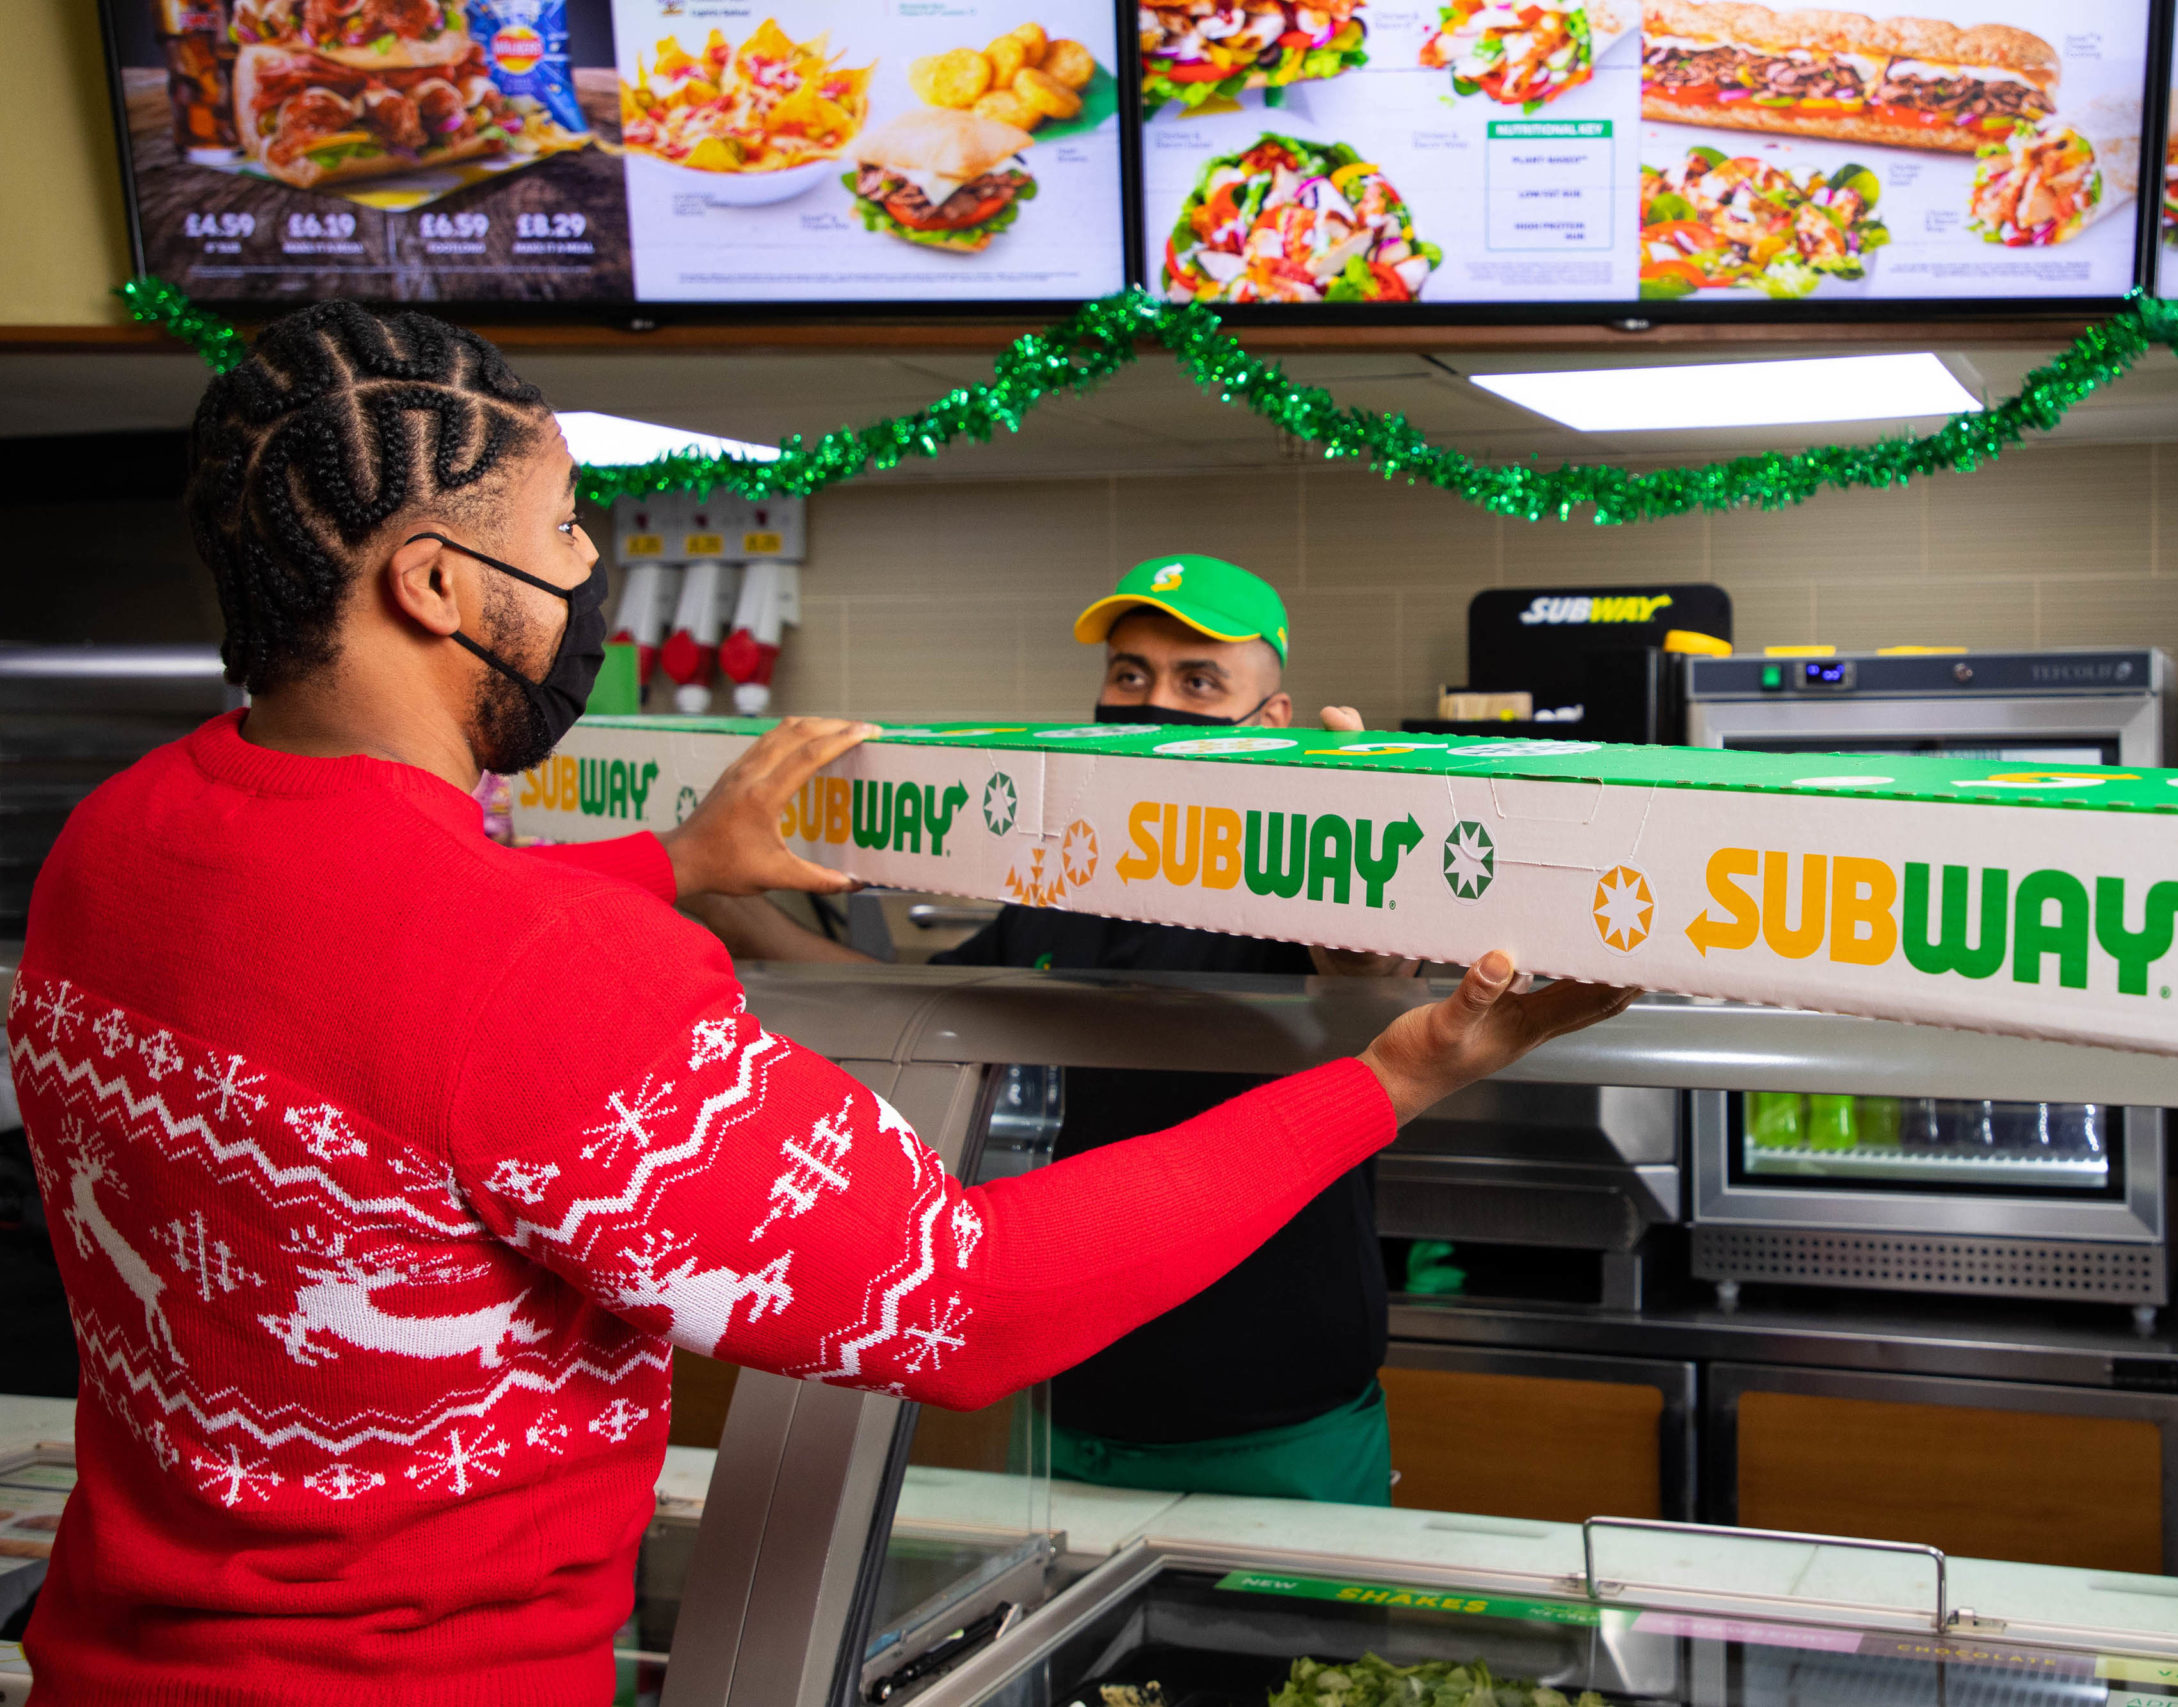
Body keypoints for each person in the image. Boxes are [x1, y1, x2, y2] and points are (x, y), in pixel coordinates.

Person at [2, 302, 1634, 1705]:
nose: (589, 573)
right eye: (570, 527)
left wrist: (676, 858)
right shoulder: (541, 969)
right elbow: (969, 1304)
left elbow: (365, 968)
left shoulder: (118, 840)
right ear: (435, 582)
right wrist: (1403, 1072)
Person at [689, 557, 1419, 1507]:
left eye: (1198, 681)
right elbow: (922, 1009)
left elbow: (1362, 976)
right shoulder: (1066, 881)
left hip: (1280, 1413)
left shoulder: (1290, 883)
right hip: (1074, 1394)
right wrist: (728, 901)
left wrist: (1353, 885)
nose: (1153, 703)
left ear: (1271, 720)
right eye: (1130, 676)